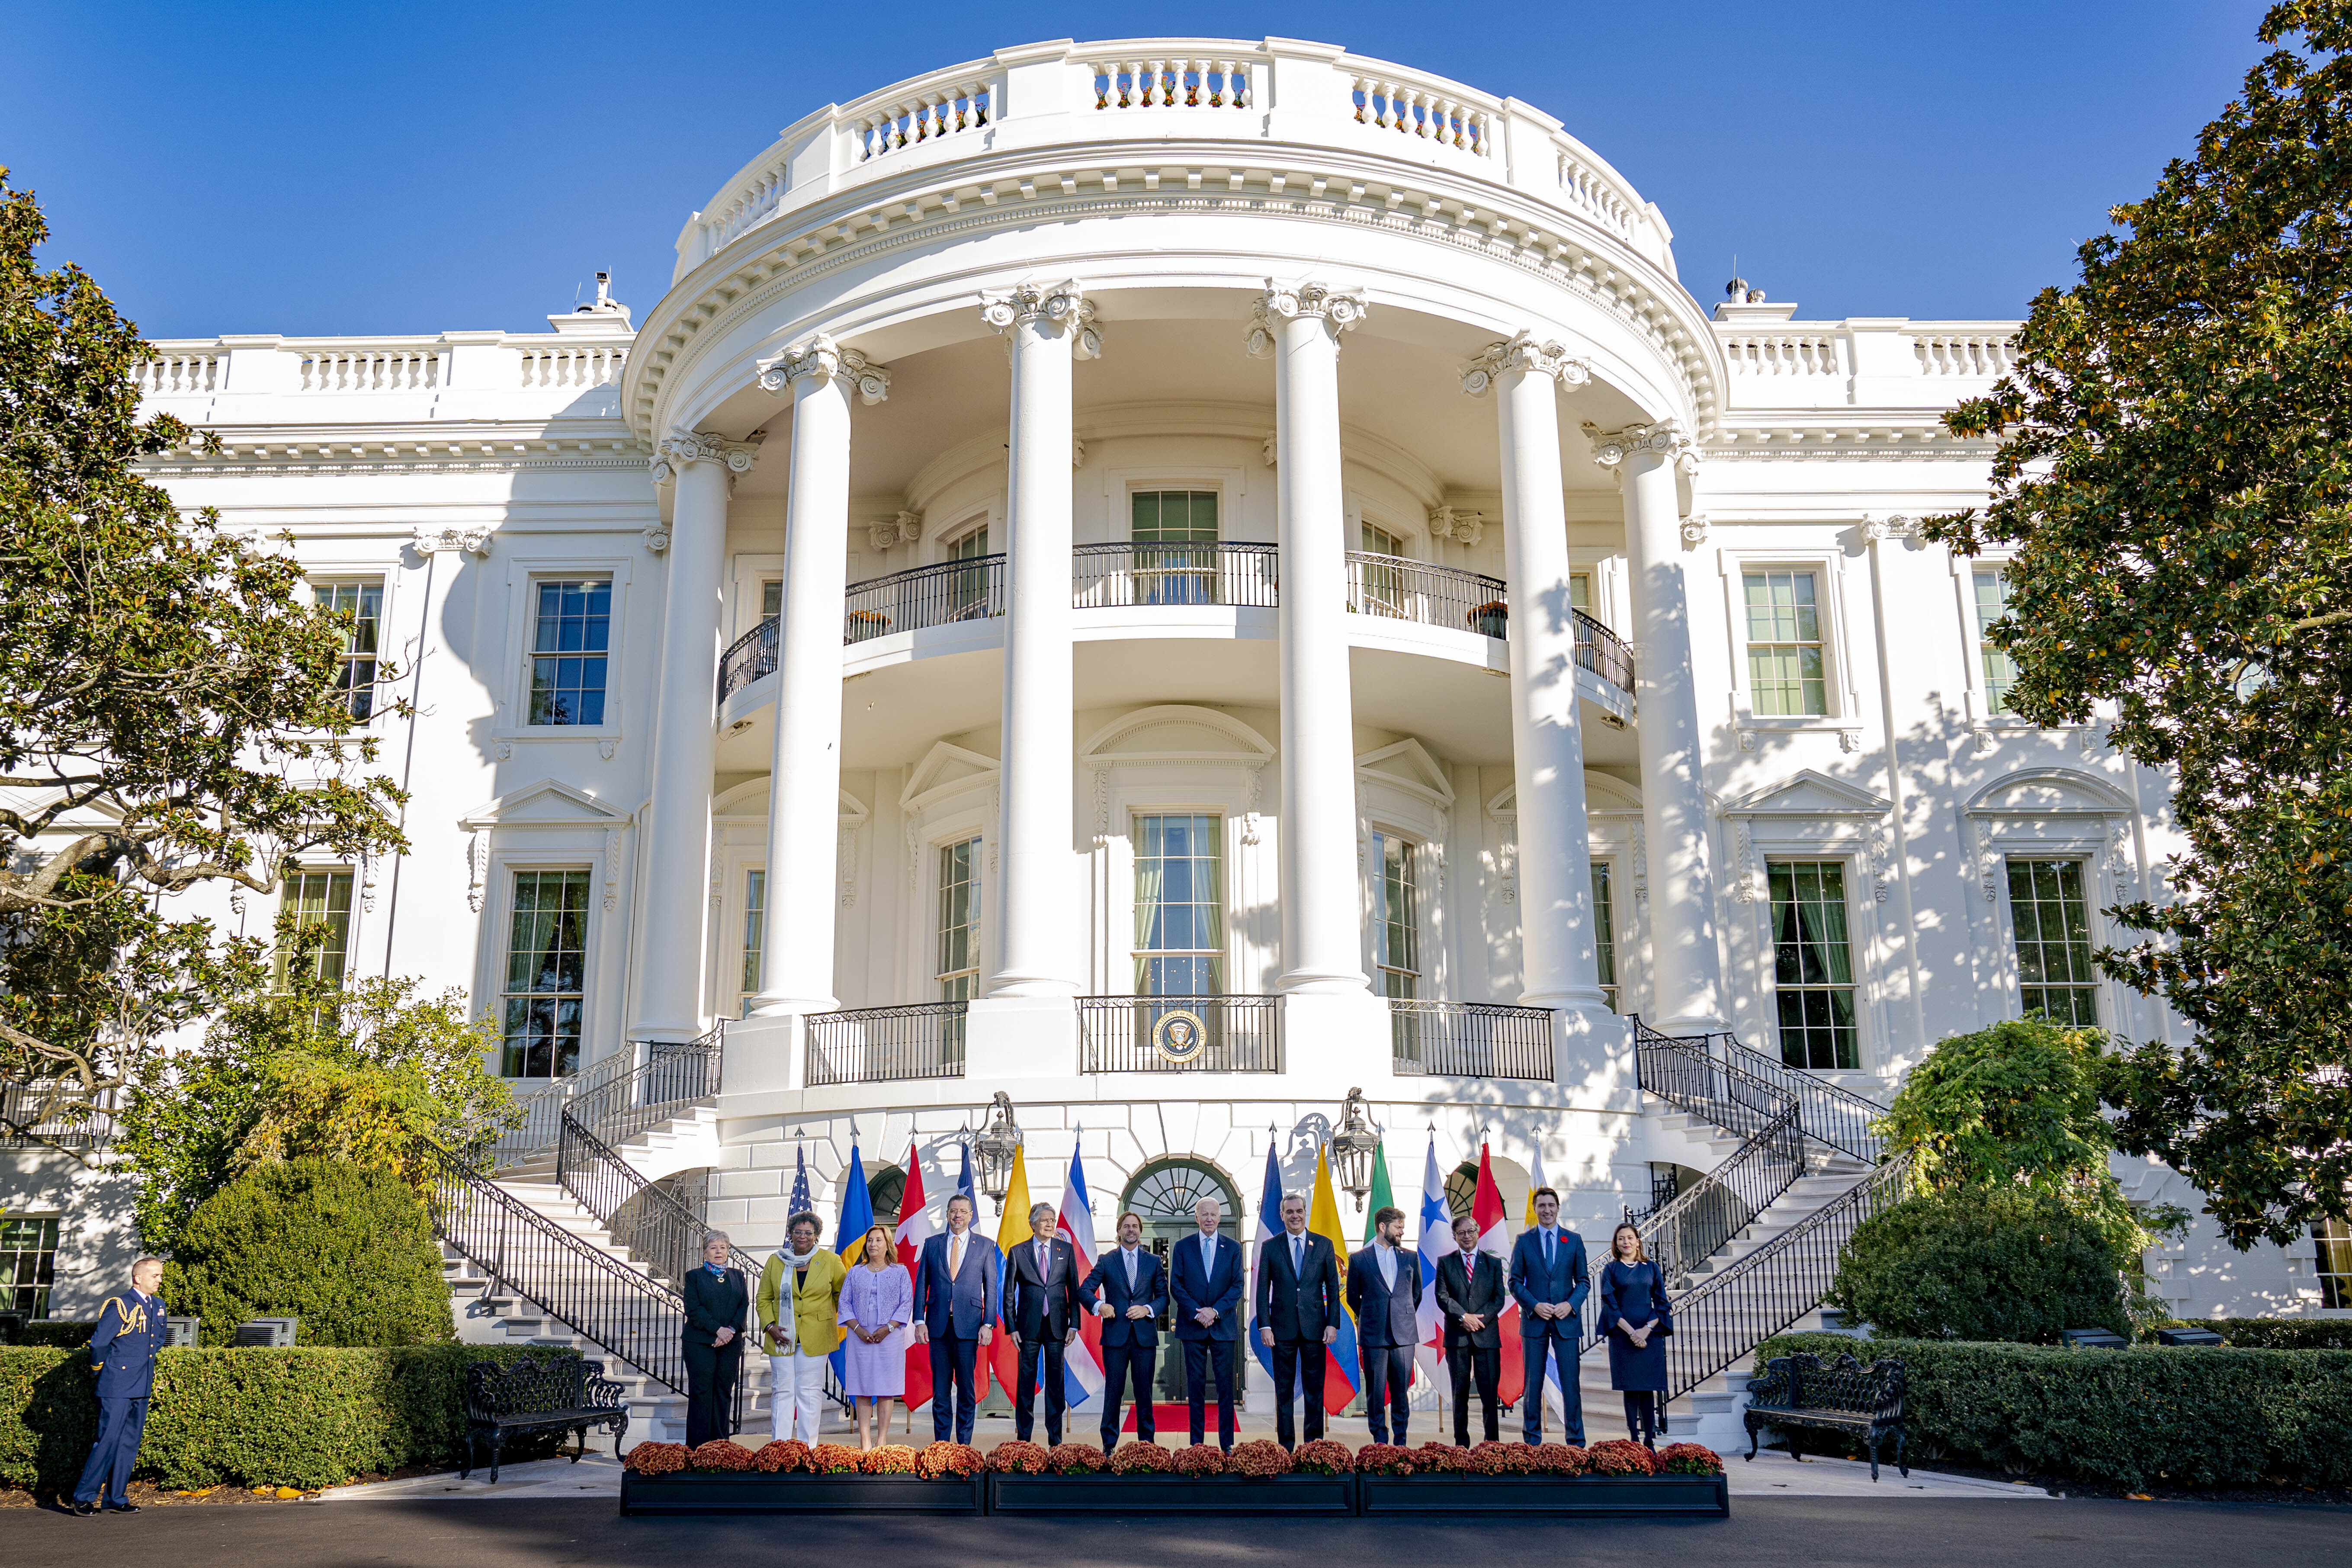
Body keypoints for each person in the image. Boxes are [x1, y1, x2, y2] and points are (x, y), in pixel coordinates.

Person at [71, 1255, 168, 1515]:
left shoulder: (158, 1305)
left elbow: (157, 1340)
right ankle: (83, 1497)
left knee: (129, 1443)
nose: (160, 1280)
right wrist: (100, 1370)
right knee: (108, 1441)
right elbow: (99, 1343)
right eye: (155, 1275)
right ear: (138, 1278)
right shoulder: (121, 1305)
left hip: (142, 1383)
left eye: (160, 1275)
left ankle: (115, 1498)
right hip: (117, 1384)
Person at [1253, 1190, 1340, 1451]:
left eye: (1299, 1211)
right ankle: (1286, 1446)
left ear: (1306, 1213)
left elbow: (1333, 1288)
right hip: (1281, 1330)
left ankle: (1313, 1446)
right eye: (1289, 1212)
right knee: (1284, 1390)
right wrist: (1265, 1326)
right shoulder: (1271, 1247)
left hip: (1316, 1329)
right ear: (1282, 1215)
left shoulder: (1323, 1245)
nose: (1295, 1216)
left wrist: (1333, 1323)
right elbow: (1262, 1290)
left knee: (1315, 1389)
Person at [912, 1192, 1000, 1444]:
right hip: (937, 1326)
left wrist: (988, 1323)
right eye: (953, 1211)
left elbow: (991, 1287)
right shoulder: (932, 1244)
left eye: (963, 1211)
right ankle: (941, 1445)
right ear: (947, 1214)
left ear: (971, 1216)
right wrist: (919, 1320)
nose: (957, 1215)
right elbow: (922, 1284)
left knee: (966, 1389)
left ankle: (964, 1445)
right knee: (940, 1391)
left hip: (969, 1326)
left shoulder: (985, 1246)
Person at [1079, 1210, 1167, 1451]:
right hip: (1115, 1338)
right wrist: (1100, 1306)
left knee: (1144, 1394)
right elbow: (1084, 1290)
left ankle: (1147, 1446)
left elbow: (1164, 1297)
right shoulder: (1107, 1260)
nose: (1131, 1230)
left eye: (1135, 1226)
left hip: (1144, 1338)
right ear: (1119, 1231)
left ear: (1140, 1231)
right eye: (1126, 1226)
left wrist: (1147, 1309)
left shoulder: (1153, 1261)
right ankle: (1109, 1446)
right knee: (1113, 1393)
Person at [1507, 1186, 1589, 1445]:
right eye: (1542, 1206)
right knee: (1532, 1384)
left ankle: (1576, 1442)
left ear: (1558, 1208)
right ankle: (1532, 1441)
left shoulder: (1573, 1240)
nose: (1547, 1210)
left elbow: (1584, 1281)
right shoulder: (1524, 1241)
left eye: (1551, 1205)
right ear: (1535, 1209)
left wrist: (1570, 1304)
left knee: (1570, 1383)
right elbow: (1514, 1282)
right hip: (1535, 1322)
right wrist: (1534, 1305)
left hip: (1566, 1322)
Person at [756, 1212, 846, 1442]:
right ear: (791, 1234)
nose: (803, 1236)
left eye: (808, 1232)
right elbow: (763, 1298)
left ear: (816, 1236)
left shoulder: (831, 1261)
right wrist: (770, 1326)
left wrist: (825, 1318)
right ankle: (780, 1447)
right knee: (782, 1391)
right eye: (798, 1232)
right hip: (781, 1336)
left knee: (809, 1392)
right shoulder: (776, 1260)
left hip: (816, 1336)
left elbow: (843, 1295)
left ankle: (808, 1448)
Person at [1168, 1195, 1242, 1450]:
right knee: (1196, 1389)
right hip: (1193, 1327)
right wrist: (1198, 1312)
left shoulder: (1233, 1248)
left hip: (1223, 1328)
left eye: (1213, 1214)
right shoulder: (1182, 1247)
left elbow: (1237, 1286)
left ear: (1220, 1218)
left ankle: (1227, 1446)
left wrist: (1215, 1311)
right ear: (1196, 1217)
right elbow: (1176, 1285)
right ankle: (1196, 1446)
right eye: (1204, 1214)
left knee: (1225, 1390)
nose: (1209, 1219)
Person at [1004, 1199, 1080, 1445]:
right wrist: (1012, 1328)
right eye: (1045, 1220)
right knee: (1026, 1383)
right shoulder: (1018, 1252)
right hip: (1027, 1328)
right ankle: (1023, 1441)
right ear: (1033, 1223)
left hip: (1058, 1326)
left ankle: (1055, 1441)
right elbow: (1008, 1293)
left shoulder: (1065, 1249)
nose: (1050, 1224)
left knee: (1056, 1385)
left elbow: (1074, 1289)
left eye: (1052, 1220)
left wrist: (1074, 1324)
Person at [1345, 1204, 1421, 1446]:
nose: (1402, 1232)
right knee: (1376, 1393)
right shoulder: (1359, 1259)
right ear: (1382, 1227)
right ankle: (1380, 1442)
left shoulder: (1410, 1257)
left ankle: (1401, 1442)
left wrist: (1401, 1316)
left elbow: (1416, 1294)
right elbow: (1353, 1297)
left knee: (1401, 1393)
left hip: (1404, 1336)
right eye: (1398, 1227)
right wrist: (1373, 1316)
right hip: (1374, 1335)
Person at [1598, 1222, 1673, 1449]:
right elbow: (1610, 1305)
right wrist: (1632, 1333)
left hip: (1649, 1334)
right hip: (1623, 1335)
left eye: (1630, 1238)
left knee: (1647, 1388)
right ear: (1616, 1243)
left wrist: (1646, 1330)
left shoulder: (1651, 1268)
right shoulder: (1611, 1270)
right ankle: (1634, 1440)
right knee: (1630, 1389)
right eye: (1621, 1238)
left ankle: (1649, 1441)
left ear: (1638, 1242)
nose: (1626, 1242)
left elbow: (1662, 1303)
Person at [838, 1223, 913, 1449]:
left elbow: (907, 1302)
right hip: (859, 1336)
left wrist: (888, 1328)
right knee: (861, 1387)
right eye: (870, 1240)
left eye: (879, 1240)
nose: (873, 1244)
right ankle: (865, 1440)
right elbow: (844, 1303)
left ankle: (881, 1440)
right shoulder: (855, 1272)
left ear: (887, 1244)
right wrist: (858, 1329)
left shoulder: (900, 1272)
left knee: (885, 1388)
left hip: (889, 1338)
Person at [1435, 1212, 1505, 1446]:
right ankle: (1461, 1445)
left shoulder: (1493, 1264)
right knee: (1460, 1394)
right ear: (1454, 1237)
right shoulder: (1445, 1263)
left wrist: (1478, 1320)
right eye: (1461, 1233)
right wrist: (1464, 1317)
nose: (1467, 1236)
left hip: (1487, 1336)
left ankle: (1492, 1444)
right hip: (1458, 1337)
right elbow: (1442, 1296)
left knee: (1489, 1394)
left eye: (1471, 1231)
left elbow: (1499, 1298)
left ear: (1478, 1232)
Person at [683, 1231, 751, 1448]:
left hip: (731, 1343)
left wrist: (730, 1330)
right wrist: (717, 1330)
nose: (719, 1252)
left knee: (723, 1393)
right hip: (700, 1343)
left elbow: (743, 1305)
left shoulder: (738, 1276)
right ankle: (698, 1448)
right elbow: (693, 1309)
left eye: (723, 1248)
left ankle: (721, 1447)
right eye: (713, 1248)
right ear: (705, 1253)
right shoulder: (694, 1277)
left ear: (728, 1251)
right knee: (702, 1394)